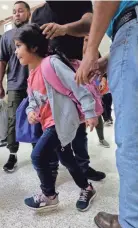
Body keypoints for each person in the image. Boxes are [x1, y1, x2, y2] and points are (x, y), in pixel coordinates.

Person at [14, 24, 97, 212]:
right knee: (67, 160)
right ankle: (87, 188)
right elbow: (32, 102)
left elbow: (78, 86)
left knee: (38, 155)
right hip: (50, 124)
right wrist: (30, 113)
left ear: (33, 47)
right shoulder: (31, 76)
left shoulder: (51, 64)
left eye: (19, 45)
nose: (16, 51)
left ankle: (49, 195)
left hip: (62, 122)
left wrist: (90, 112)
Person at [75, 2, 138, 228]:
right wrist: (111, 58)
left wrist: (92, 49)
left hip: (131, 26)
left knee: (133, 140)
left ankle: (132, 221)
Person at [31, 0, 106, 181]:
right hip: (49, 78)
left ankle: (83, 167)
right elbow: (33, 48)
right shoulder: (38, 14)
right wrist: (33, 83)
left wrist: (64, 28)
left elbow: (91, 23)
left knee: (79, 128)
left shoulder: (77, 2)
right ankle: (52, 169)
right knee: (52, 124)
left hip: (75, 72)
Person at [0, 1, 30, 172]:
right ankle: (12, 154)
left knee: (37, 119)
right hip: (14, 85)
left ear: (28, 13)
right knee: (12, 120)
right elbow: (2, 61)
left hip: (35, 84)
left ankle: (37, 151)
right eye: (14, 12)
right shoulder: (7, 36)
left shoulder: (35, 32)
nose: (17, 14)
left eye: (20, 11)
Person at [83, 36, 110, 148]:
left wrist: (103, 80)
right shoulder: (73, 52)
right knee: (79, 122)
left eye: (90, 39)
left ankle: (101, 138)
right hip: (77, 90)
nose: (88, 42)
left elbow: (102, 70)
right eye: (85, 39)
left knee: (97, 114)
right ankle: (80, 145)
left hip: (93, 90)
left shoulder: (95, 52)